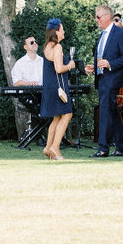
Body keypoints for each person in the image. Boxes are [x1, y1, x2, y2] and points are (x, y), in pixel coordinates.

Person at [85, 4, 123, 158]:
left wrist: (109, 64)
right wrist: (95, 66)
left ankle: (103, 148)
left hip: (113, 79)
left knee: (105, 112)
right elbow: (102, 55)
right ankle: (121, 147)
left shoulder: (119, 34)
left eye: (98, 17)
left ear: (106, 17)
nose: (96, 20)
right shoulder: (102, 35)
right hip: (102, 78)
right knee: (112, 112)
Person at [40, 18, 75, 160]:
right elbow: (59, 68)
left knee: (56, 118)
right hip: (58, 87)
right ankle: (55, 147)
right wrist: (70, 65)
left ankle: (48, 147)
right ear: (56, 32)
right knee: (67, 114)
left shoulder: (47, 46)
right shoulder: (57, 47)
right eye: (62, 29)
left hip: (49, 86)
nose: (64, 31)